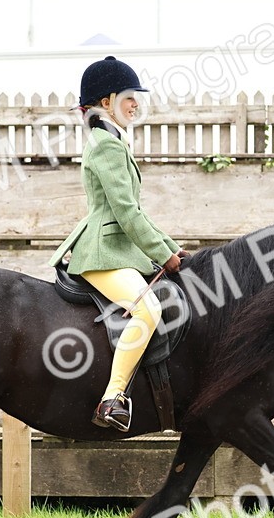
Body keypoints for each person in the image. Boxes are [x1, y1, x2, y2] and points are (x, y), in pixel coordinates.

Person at [49, 56, 186, 431]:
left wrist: (170, 247)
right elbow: (126, 213)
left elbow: (136, 212)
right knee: (147, 310)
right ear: (107, 102)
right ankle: (112, 399)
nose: (136, 105)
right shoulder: (106, 145)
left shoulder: (112, 139)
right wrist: (162, 254)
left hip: (119, 247)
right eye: (129, 97)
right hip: (103, 251)